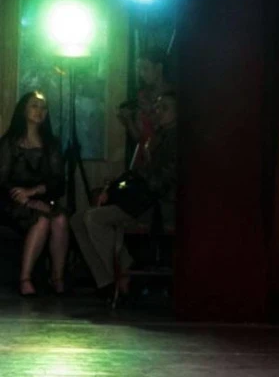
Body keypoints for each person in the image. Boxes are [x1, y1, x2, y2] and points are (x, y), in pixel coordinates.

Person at [71, 91, 177, 297]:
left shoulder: (176, 141)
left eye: (165, 108)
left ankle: (124, 270)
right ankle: (106, 281)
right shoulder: (159, 137)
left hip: (158, 206)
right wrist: (117, 187)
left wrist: (130, 184)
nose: (158, 112)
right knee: (77, 219)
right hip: (143, 200)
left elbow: (159, 181)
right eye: (157, 107)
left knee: (93, 218)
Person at [0, 91, 69, 296]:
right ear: (23, 109)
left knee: (60, 219)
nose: (39, 111)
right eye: (34, 106)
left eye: (43, 107)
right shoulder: (9, 143)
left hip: (42, 197)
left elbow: (58, 182)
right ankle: (25, 278)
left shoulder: (51, 144)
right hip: (12, 200)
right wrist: (25, 199)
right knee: (41, 220)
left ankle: (57, 277)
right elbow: (2, 181)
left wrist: (36, 192)